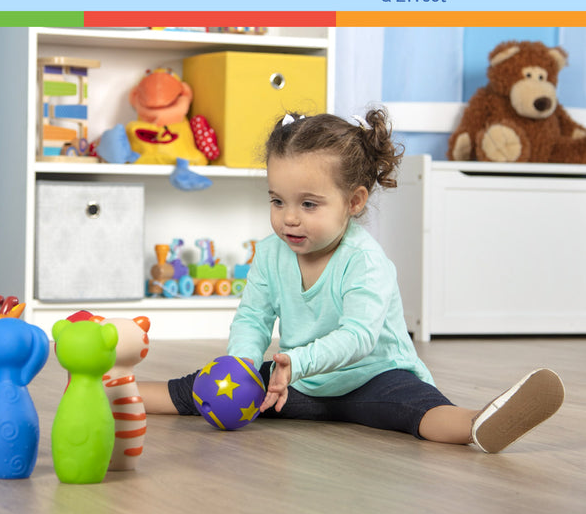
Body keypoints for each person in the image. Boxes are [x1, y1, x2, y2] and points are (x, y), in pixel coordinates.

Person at [140, 110, 565, 453]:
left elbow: (360, 336)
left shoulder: (365, 261)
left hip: (374, 375)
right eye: (277, 200)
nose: (289, 217)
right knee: (207, 385)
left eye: (308, 204)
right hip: (301, 381)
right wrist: (244, 367)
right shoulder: (271, 253)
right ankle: (122, 392)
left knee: (414, 410)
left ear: (354, 201)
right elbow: (253, 317)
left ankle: (479, 421)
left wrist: (297, 362)